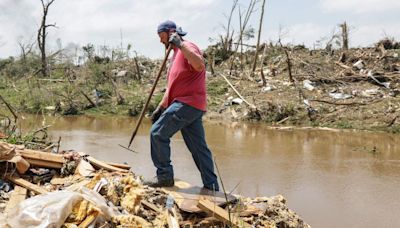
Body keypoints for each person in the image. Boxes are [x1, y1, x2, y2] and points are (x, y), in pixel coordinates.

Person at [146, 20, 219, 191]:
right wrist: (161, 107)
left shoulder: (187, 46)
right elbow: (173, 87)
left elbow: (200, 65)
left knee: (157, 134)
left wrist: (180, 44)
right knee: (198, 148)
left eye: (161, 36)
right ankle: (212, 186)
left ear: (170, 33)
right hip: (189, 105)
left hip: (187, 103)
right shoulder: (175, 55)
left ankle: (164, 176)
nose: (160, 41)